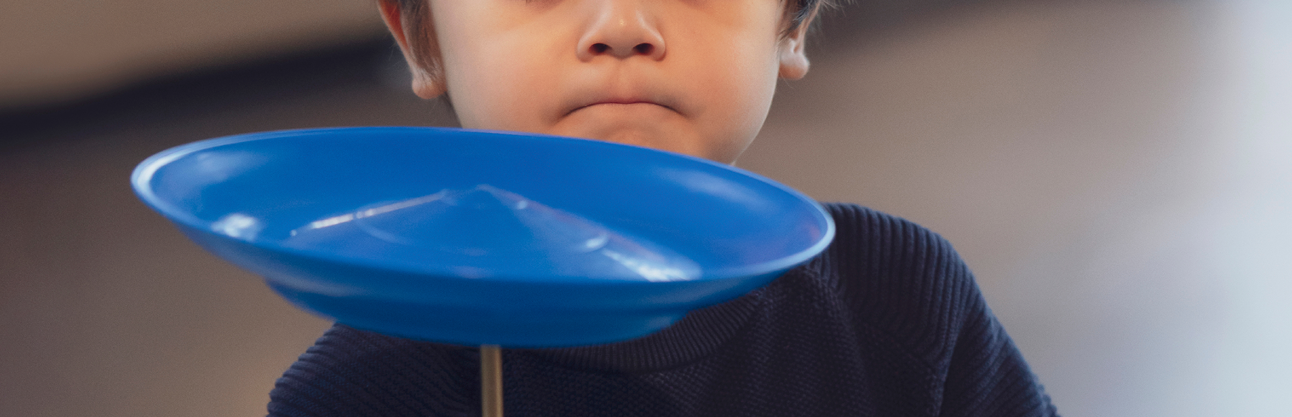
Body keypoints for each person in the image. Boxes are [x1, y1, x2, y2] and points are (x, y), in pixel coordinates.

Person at [267, 0, 1059, 416]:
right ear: (420, 37)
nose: (622, 26)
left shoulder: (902, 299)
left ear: (792, 19)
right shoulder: (359, 391)